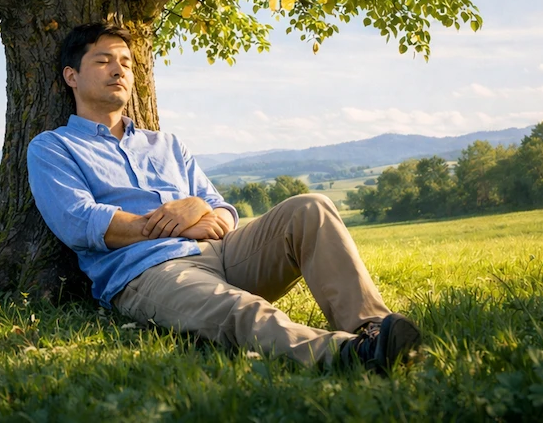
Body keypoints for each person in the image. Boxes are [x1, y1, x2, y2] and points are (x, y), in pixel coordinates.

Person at [27, 22, 421, 373]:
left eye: (127, 63)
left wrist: (198, 209)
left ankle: (371, 326)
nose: (119, 70)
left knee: (311, 208)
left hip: (223, 250)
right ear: (71, 76)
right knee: (242, 311)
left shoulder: (165, 143)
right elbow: (81, 222)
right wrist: (173, 221)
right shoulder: (53, 148)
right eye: (103, 61)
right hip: (148, 272)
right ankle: (353, 356)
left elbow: (221, 210)